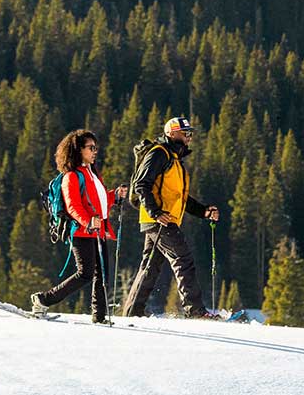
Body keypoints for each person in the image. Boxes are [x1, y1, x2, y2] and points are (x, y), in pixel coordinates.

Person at [121, 116, 221, 318]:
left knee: (150, 266)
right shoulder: (159, 154)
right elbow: (141, 184)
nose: (189, 138)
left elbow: (180, 197)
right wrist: (156, 212)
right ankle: (195, 311)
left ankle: (133, 311)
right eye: (185, 134)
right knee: (183, 259)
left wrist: (203, 211)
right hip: (159, 220)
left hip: (157, 220)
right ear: (171, 134)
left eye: (190, 134)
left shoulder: (174, 159)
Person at [31, 129, 128, 324]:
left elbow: (98, 202)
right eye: (90, 148)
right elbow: (73, 206)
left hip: (96, 230)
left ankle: (99, 316)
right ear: (78, 150)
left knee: (101, 274)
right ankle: (43, 299)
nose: (95, 151)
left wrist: (114, 196)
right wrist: (88, 221)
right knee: (85, 273)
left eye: (96, 148)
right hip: (82, 232)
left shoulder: (92, 174)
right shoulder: (72, 176)